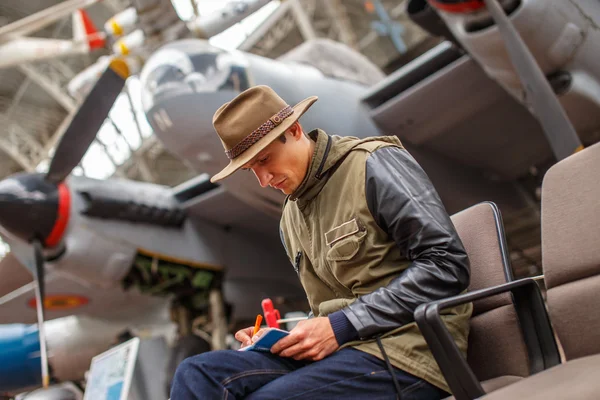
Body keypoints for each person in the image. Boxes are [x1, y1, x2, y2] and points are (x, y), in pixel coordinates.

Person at [170, 85, 472, 399]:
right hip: (342, 348)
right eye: (251, 169)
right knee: (196, 373)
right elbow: (329, 308)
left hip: (409, 349)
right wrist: (281, 338)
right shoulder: (290, 217)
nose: (263, 180)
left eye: (265, 159)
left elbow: (446, 265)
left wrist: (341, 325)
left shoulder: (373, 164)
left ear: (295, 129)